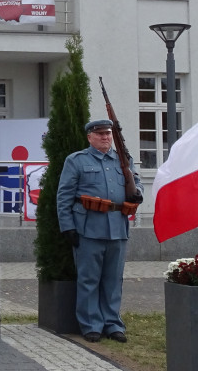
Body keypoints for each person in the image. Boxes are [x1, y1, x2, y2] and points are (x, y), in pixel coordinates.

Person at [56, 119, 144, 343]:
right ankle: (91, 324)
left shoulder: (123, 160)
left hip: (117, 227)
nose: (105, 137)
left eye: (108, 134)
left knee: (114, 280)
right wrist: (68, 227)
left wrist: (138, 193)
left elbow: (136, 182)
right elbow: (64, 196)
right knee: (89, 279)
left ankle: (113, 324)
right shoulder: (77, 161)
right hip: (88, 228)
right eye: (100, 134)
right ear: (90, 137)